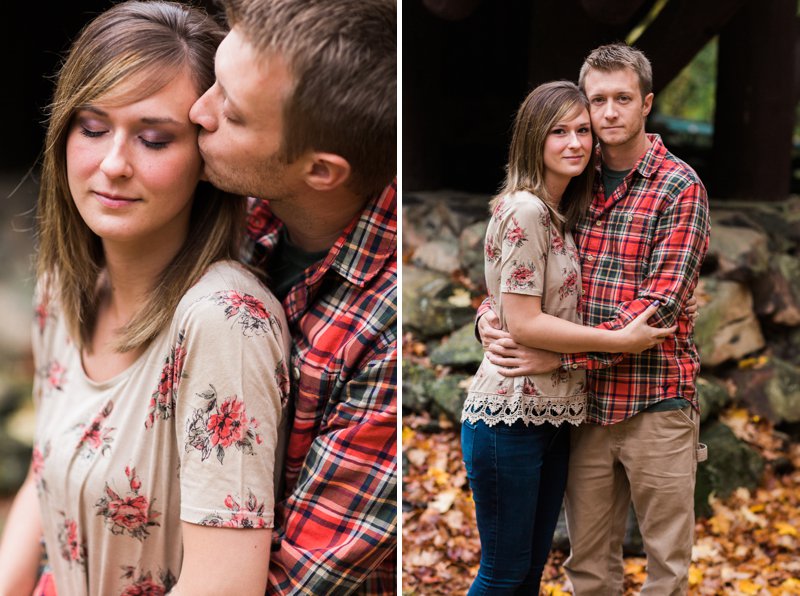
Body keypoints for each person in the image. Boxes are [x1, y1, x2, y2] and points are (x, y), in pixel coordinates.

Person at [0, 2, 290, 595]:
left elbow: (224, 586)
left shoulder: (224, 323)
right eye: (93, 127)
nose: (113, 164)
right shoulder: (64, 285)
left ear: (204, 157)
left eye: (154, 139)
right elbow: (47, 470)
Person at [478, 43, 710, 594]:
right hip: (584, 408)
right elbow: (524, 274)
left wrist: (556, 350)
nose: (608, 113)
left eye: (622, 99)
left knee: (666, 568)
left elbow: (658, 309)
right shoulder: (572, 183)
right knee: (588, 566)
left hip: (657, 400)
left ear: (646, 103)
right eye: (597, 100)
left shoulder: (680, 188)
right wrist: (491, 317)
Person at [187, 0, 397, 592]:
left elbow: (293, 584)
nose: (197, 112)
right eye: (214, 82)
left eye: (232, 112)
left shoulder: (388, 340)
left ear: (321, 172)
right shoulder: (242, 199)